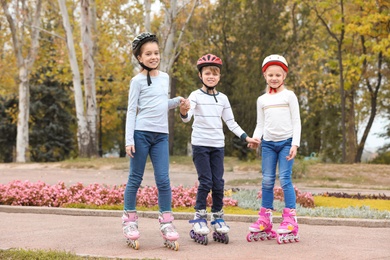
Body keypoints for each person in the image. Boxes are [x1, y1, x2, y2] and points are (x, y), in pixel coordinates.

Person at [180, 54, 260, 245]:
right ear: (200, 75)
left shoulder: (223, 98)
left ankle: (217, 216)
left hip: (217, 145)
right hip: (200, 144)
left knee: (218, 182)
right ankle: (199, 218)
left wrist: (246, 137)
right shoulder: (195, 96)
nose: (211, 77)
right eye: (207, 73)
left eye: (215, 74)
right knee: (205, 180)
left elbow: (231, 122)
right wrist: (184, 109)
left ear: (219, 76)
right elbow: (187, 117)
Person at [122, 32, 185, 251]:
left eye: (156, 53)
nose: (153, 56)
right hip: (141, 134)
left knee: (163, 180)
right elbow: (132, 110)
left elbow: (159, 104)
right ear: (139, 57)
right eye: (148, 53)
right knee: (135, 178)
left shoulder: (165, 77)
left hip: (161, 136)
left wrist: (175, 102)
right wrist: (129, 139)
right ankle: (129, 221)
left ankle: (167, 223)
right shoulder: (136, 81)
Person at [246, 54, 301, 244]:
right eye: (270, 75)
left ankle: (290, 220)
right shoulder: (262, 100)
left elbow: (296, 122)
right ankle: (265, 218)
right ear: (265, 76)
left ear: (284, 76)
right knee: (267, 180)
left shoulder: (289, 96)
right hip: (268, 144)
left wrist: (295, 144)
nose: (274, 78)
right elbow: (260, 124)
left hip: (286, 143)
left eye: (278, 74)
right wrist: (256, 139)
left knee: (285, 179)